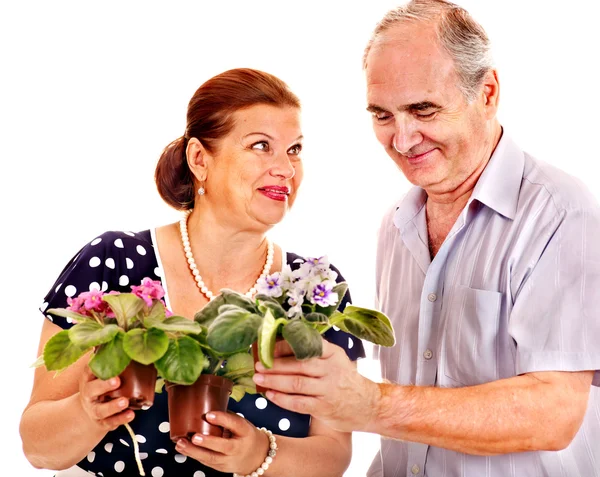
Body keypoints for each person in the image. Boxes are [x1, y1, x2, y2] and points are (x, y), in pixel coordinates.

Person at [252, 1, 600, 476]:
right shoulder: (395, 225)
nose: (402, 138)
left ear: (488, 93)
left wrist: (371, 404)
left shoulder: (560, 212)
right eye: (383, 115)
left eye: (423, 109)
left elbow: (554, 414)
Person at [20, 68, 364, 477]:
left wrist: (259, 453)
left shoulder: (314, 289)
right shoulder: (114, 261)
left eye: (294, 150)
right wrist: (86, 411)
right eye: (261, 146)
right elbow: (37, 445)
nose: (286, 170)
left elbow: (334, 454)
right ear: (200, 159)